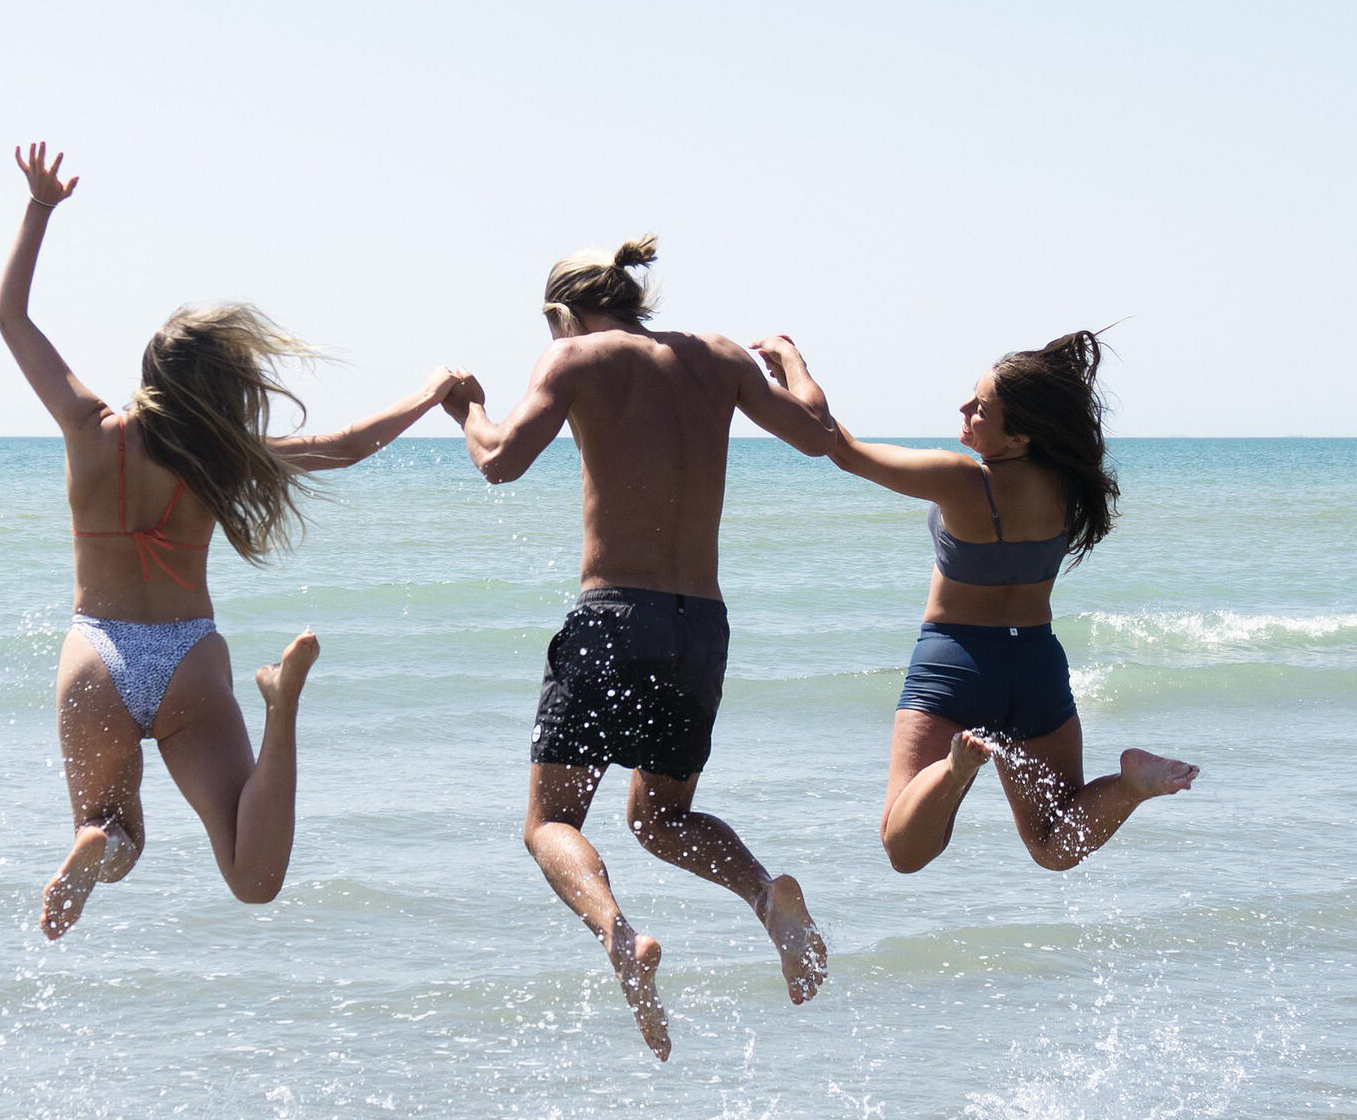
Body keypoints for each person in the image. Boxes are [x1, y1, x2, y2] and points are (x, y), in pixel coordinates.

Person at [0, 142, 466, 938]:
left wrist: (40, 208)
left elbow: (10, 317)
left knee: (124, 837)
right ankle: (280, 707)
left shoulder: (89, 428)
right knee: (252, 877)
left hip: (95, 653)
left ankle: (93, 845)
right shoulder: (224, 461)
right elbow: (347, 444)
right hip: (188, 656)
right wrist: (429, 391)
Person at [442, 236, 837, 1060]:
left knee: (550, 820)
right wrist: (792, 358)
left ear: (561, 311)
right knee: (662, 817)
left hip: (614, 616)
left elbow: (499, 461)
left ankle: (620, 936)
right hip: (699, 625)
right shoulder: (722, 357)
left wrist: (467, 411)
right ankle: (766, 898)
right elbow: (814, 431)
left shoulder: (575, 357)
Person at [751, 330, 1198, 873]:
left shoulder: (964, 480)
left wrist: (794, 367)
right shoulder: (1072, 487)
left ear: (1021, 438)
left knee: (905, 847)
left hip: (956, 661)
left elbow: (837, 447)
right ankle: (1130, 787)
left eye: (982, 407)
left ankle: (956, 770)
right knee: (1055, 846)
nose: (964, 408)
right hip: (1036, 666)